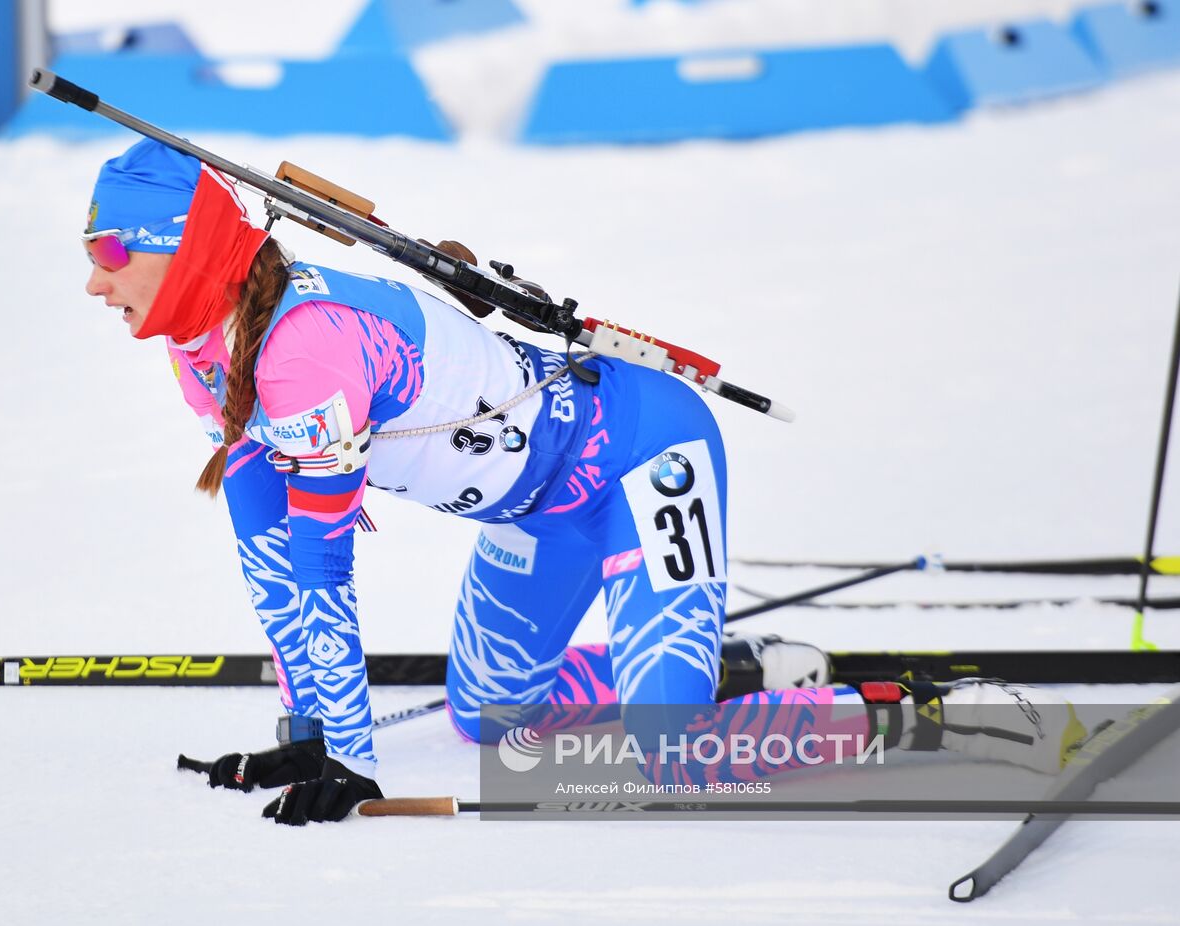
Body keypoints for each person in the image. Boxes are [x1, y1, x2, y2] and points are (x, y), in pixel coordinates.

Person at [80, 139, 1086, 825]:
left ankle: (918, 716)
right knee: (491, 724)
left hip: (638, 448)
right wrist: (308, 735)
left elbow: (321, 563)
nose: (93, 279)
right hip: (537, 510)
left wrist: (349, 757)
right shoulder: (202, 352)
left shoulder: (304, 352)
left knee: (666, 757)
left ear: (183, 250)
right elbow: (270, 558)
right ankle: (713, 661)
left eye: (110, 251)